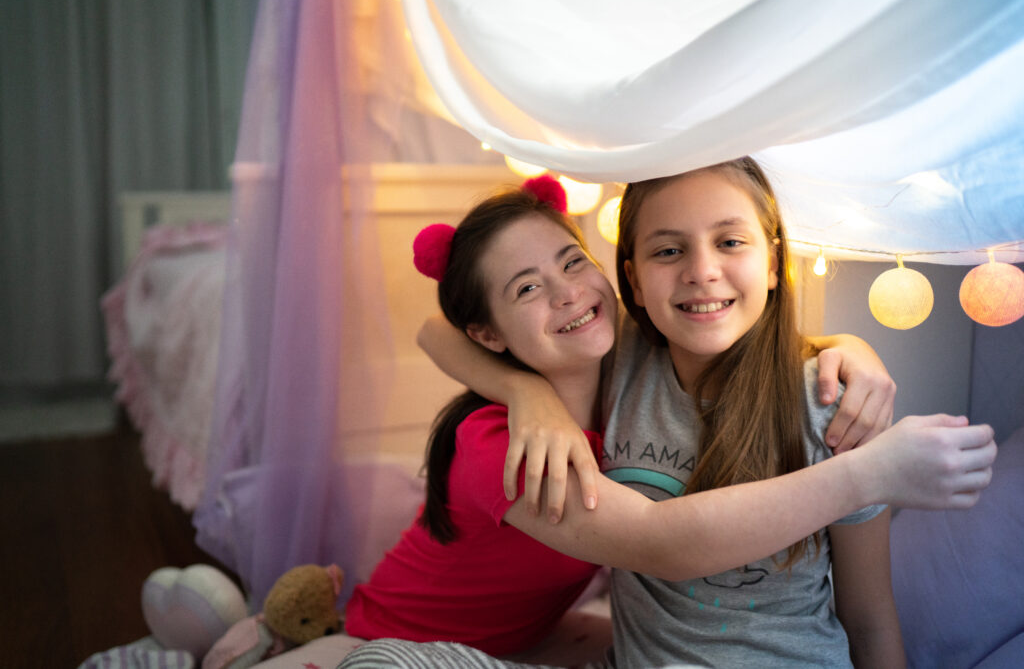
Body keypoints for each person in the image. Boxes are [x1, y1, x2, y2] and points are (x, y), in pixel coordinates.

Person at [341, 174, 995, 666]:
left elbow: (869, 613)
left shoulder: (832, 401)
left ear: (773, 261)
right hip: (414, 632)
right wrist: (524, 395)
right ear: (634, 276)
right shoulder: (617, 367)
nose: (702, 271)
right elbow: (438, 328)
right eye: (668, 251)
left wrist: (849, 345)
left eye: (572, 263)